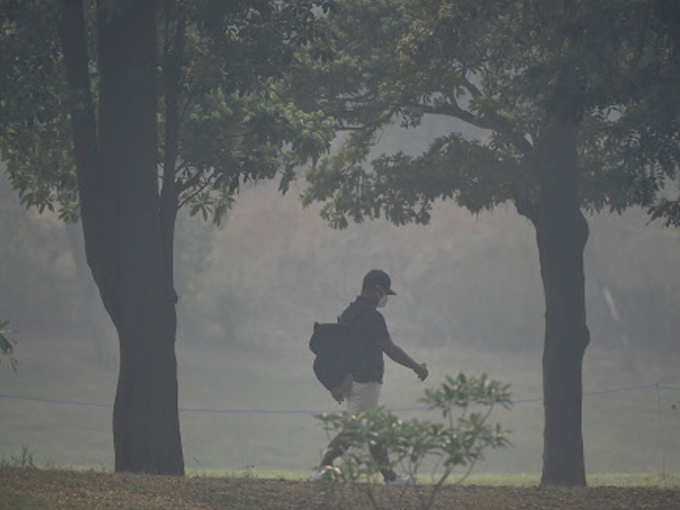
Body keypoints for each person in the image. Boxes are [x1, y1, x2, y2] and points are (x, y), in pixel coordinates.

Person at [309, 269, 429, 483]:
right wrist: (416, 367)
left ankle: (390, 476)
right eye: (385, 294)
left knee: (371, 429)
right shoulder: (372, 316)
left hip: (351, 379)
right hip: (366, 380)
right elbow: (389, 348)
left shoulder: (350, 312)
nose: (385, 299)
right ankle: (322, 468)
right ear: (376, 290)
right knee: (356, 430)